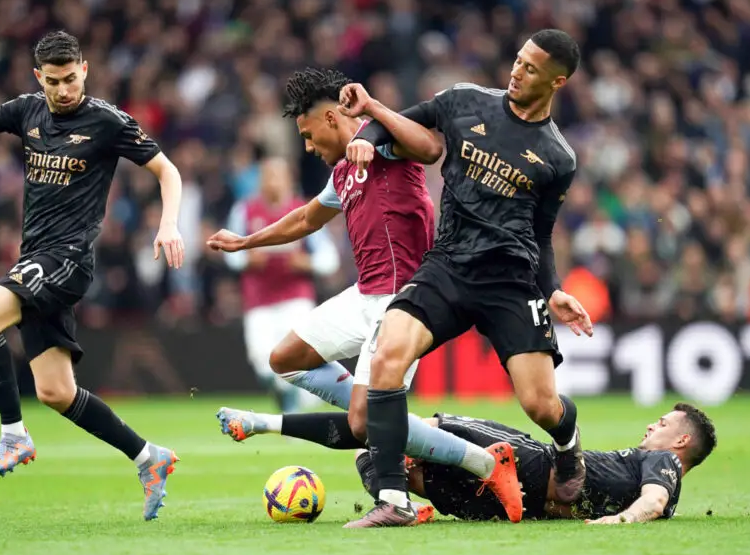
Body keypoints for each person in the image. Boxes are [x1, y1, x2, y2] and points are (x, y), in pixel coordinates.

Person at [207, 68, 523, 520]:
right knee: (285, 359)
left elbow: (431, 148)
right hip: (363, 294)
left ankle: (484, 464)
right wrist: (245, 241)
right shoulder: (341, 173)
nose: (308, 148)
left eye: (308, 136)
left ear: (332, 118)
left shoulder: (384, 144)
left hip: (404, 301)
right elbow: (306, 219)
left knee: (363, 422)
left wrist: (373, 111)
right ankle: (389, 422)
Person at [0, 30, 184, 521]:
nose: (63, 90)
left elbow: (168, 171)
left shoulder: (107, 121)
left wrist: (168, 224)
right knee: (56, 392)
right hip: (34, 258)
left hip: (68, 259)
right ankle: (149, 457)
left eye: (71, 79)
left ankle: (12, 435)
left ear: (85, 70)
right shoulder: (27, 110)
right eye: (53, 81)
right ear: (39, 77)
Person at [338, 29, 595, 528]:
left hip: (511, 282)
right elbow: (400, 123)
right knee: (388, 355)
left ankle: (568, 444)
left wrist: (554, 290)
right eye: (518, 60)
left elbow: (541, 234)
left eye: (531, 68)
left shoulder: (558, 157)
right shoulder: (464, 100)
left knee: (540, 405)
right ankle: (393, 500)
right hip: (449, 264)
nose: (517, 71)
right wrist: (366, 138)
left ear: (557, 82)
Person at [354, 403, 717, 525]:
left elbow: (654, 501)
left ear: (681, 441)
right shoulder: (656, 473)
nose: (652, 425)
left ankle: (399, 502)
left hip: (529, 466)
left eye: (663, 424)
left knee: (418, 431)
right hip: (523, 503)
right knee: (372, 451)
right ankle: (400, 503)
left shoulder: (664, 460)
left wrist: (622, 520)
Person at [223, 156, 340, 413]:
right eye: (267, 176)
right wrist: (246, 259)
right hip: (258, 299)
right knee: (261, 359)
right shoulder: (245, 211)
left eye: (277, 176)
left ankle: (292, 405)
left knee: (294, 355)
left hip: (295, 298)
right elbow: (229, 253)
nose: (272, 182)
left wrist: (307, 263)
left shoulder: (304, 210)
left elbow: (328, 259)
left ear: (289, 180)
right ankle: (288, 396)